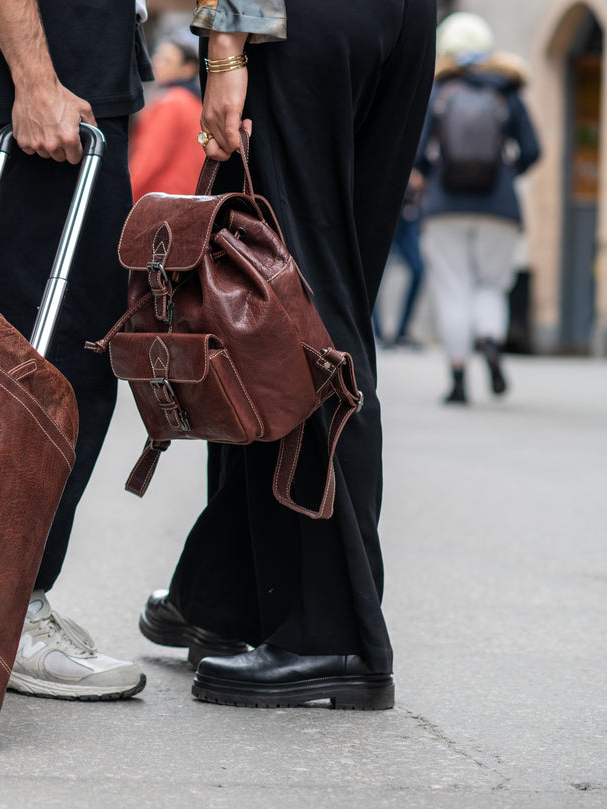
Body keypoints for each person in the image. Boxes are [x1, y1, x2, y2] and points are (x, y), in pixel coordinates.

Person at [138, 0, 435, 710]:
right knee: (322, 299)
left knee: (288, 310)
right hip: (400, 22)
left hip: (297, 21)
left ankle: (331, 634)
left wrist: (227, 50)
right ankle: (229, 591)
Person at [0, 0, 153, 701]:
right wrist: (35, 77)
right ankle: (4, 606)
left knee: (15, 354)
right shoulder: (42, 81)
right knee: (57, 362)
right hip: (49, 82)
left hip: (57, 76)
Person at [414, 13, 540, 405]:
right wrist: (505, 173)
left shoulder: (438, 92)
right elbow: (533, 150)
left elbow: (417, 155)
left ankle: (457, 380)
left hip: (444, 205)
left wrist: (435, 172)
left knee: (453, 287)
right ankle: (489, 338)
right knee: (491, 284)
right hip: (499, 207)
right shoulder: (506, 90)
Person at [129, 31, 206, 200]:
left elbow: (149, 158)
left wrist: (126, 198)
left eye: (166, 59)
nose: (156, 63)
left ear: (187, 69)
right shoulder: (196, 104)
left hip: (160, 199)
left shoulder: (170, 102)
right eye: (157, 56)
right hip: (190, 197)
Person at [376, 177, 427, 349]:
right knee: (374, 271)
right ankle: (376, 332)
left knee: (418, 270)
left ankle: (402, 332)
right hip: (382, 206)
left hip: (408, 212)